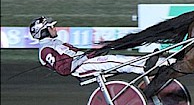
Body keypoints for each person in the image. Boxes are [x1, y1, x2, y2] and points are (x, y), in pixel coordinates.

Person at [29, 16, 159, 79]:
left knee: (115, 58)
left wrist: (89, 54)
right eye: (51, 26)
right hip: (80, 68)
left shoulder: (54, 43)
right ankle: (145, 68)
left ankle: (155, 63)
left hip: (83, 62)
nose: (54, 28)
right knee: (113, 60)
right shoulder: (45, 51)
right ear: (44, 31)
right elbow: (64, 70)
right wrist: (86, 56)